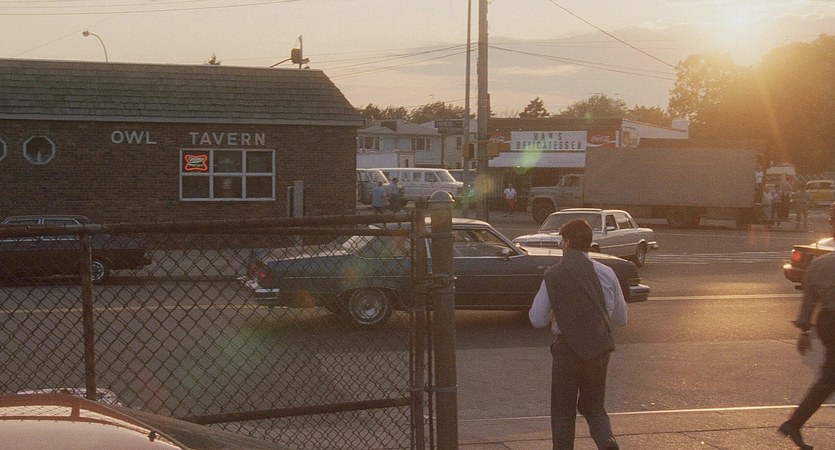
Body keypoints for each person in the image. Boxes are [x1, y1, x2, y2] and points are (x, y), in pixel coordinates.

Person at [529, 219, 628, 450]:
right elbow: (621, 318)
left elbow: (537, 319)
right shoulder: (607, 273)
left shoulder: (555, 274)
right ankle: (607, 442)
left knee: (563, 411)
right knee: (594, 406)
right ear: (589, 243)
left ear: (567, 243)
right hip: (599, 351)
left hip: (567, 351)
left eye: (561, 241)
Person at [779, 204, 835, 449]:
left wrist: (804, 331)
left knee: (830, 378)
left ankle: (794, 423)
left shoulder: (819, 264)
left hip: (827, 320)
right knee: (829, 378)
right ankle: (794, 423)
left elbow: (808, 301)